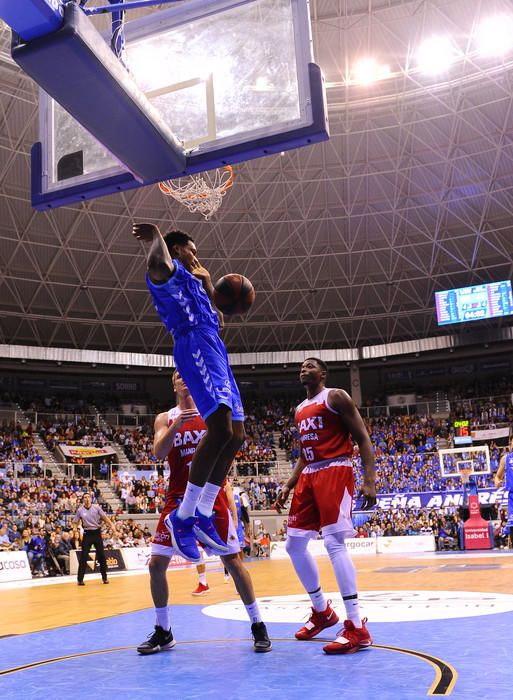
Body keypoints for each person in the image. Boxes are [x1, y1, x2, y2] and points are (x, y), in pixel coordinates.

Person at [132, 223, 245, 562]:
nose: (196, 256)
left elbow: (220, 320)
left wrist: (209, 283)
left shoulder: (197, 282)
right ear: (178, 249)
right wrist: (156, 238)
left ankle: (204, 512)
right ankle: (182, 517)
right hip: (193, 343)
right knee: (220, 427)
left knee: (237, 434)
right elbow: (156, 264)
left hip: (214, 344)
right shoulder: (170, 272)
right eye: (192, 250)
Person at [137, 371, 271, 655]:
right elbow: (158, 453)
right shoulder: (165, 417)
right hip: (177, 498)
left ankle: (258, 624)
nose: (183, 378)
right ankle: (164, 630)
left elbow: (228, 447)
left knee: (233, 562)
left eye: (187, 374)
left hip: (212, 497)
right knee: (155, 565)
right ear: (173, 384)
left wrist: (233, 511)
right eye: (177, 375)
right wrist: (176, 426)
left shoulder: (212, 412)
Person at [275, 357, 376, 655]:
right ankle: (322, 612)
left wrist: (369, 480)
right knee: (293, 545)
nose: (303, 369)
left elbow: (363, 438)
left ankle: (357, 627)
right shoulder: (299, 410)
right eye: (301, 366)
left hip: (336, 469)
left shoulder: (335, 396)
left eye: (310, 366)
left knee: (334, 542)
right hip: (309, 475)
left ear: (323, 374)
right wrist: (289, 484)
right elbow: (305, 453)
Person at [73, 492, 116, 586]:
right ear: (83, 499)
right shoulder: (80, 510)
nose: (87, 499)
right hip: (87, 534)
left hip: (97, 533)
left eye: (88, 497)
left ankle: (104, 578)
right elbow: (75, 522)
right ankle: (80, 580)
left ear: (91, 498)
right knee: (83, 557)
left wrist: (112, 525)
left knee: (102, 556)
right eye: (85, 497)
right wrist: (75, 529)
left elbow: (105, 518)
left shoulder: (96, 507)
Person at [494, 437, 513, 544]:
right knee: (512, 528)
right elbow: (497, 476)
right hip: (512, 497)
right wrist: (497, 481)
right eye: (511, 443)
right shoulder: (505, 459)